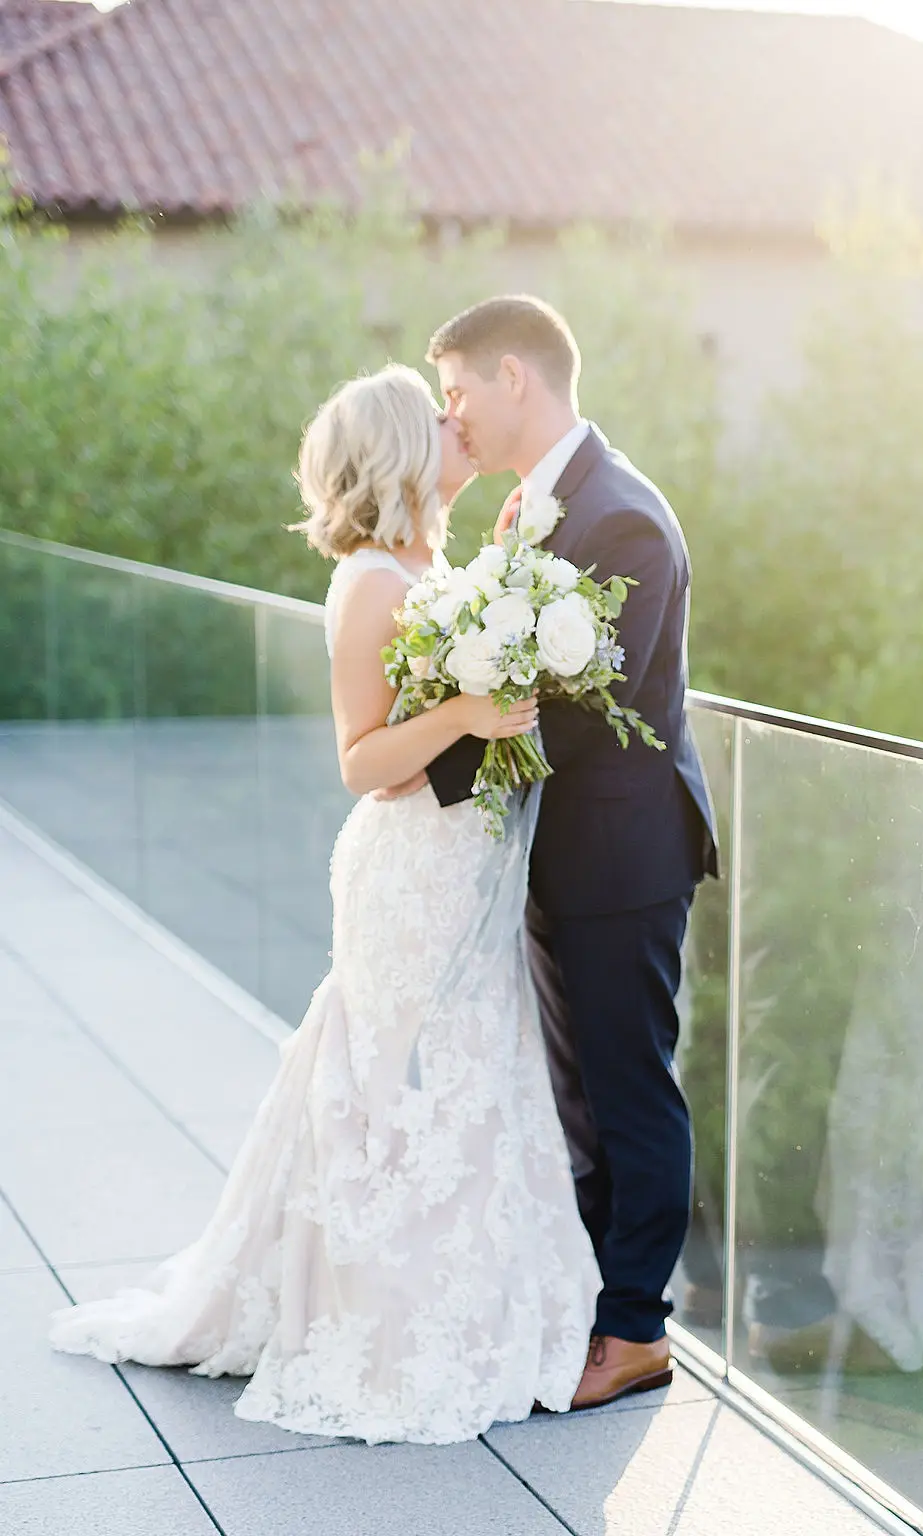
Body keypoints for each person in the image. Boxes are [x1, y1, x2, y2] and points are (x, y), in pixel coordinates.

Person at [49, 364, 600, 1445]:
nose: (458, 427)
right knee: (390, 1081)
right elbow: (363, 761)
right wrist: (473, 715)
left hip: (462, 862)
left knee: (471, 1060)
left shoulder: (426, 565)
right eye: (437, 420)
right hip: (408, 870)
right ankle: (383, 1323)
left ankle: (484, 1301)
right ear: (401, 449)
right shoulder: (372, 584)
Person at [422, 296, 719, 1408]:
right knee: (580, 1089)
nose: (452, 415)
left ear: (514, 377)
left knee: (630, 1084)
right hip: (561, 855)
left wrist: (428, 772)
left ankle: (637, 1328)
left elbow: (592, 714)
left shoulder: (621, 518)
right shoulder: (537, 511)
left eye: (456, 390)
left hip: (620, 858)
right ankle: (593, 1299)